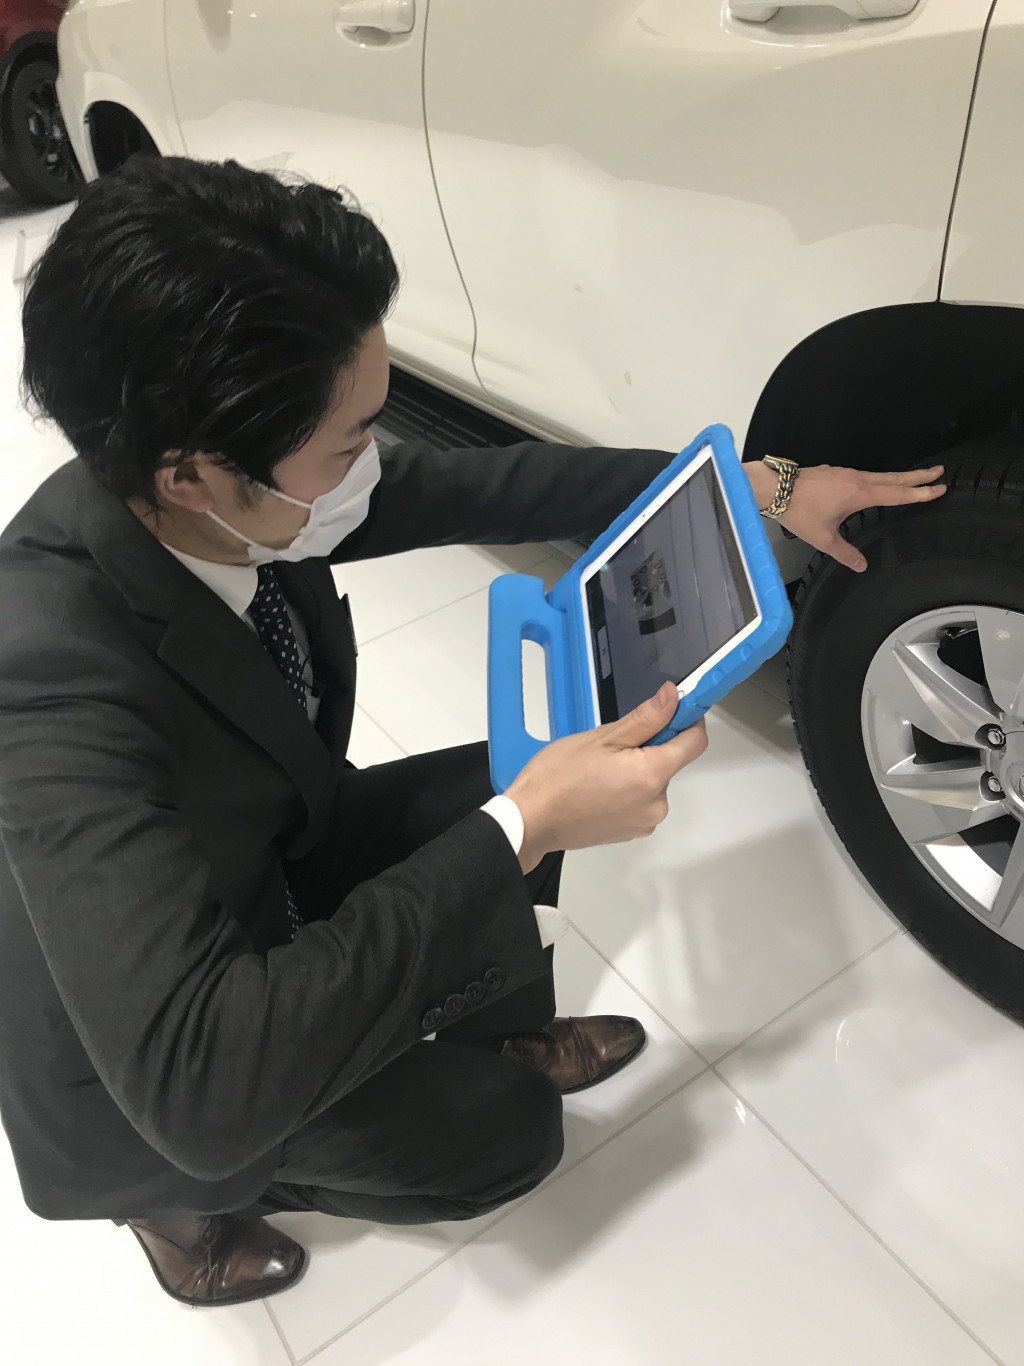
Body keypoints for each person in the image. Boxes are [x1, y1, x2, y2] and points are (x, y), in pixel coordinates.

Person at [0, 158, 946, 1308]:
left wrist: (749, 487)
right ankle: (169, 1214)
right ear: (193, 475)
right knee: (507, 1132)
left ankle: (471, 1024)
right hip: (156, 1076)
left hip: (265, 854)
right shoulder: (46, 678)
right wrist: (519, 828)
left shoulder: (220, 493)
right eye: (348, 442)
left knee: (513, 787)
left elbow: (490, 485)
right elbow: (199, 1084)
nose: (372, 465)